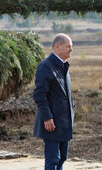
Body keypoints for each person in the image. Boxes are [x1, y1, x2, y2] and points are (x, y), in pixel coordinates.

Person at [33, 33, 74, 170]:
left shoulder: (64, 66)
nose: (71, 49)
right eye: (68, 46)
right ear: (57, 46)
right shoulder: (46, 66)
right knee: (53, 160)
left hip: (64, 122)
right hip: (51, 123)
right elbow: (39, 95)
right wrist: (47, 117)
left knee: (62, 158)